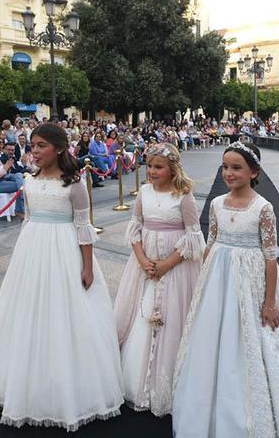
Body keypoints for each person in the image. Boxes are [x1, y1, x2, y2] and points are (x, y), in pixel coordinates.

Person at [172, 141, 279, 437]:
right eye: (225, 167)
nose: (228, 173)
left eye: (236, 167)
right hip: (219, 278)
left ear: (254, 172)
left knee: (255, 338)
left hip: (252, 280)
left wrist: (269, 302)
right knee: (216, 337)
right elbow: (213, 242)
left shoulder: (263, 208)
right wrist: (204, 281)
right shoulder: (217, 203)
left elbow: (271, 257)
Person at [0, 123, 123, 431]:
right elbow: (28, 219)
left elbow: (84, 228)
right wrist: (22, 254)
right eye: (32, 145)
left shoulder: (74, 183)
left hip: (64, 248)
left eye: (41, 145)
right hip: (33, 249)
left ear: (58, 148)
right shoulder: (29, 180)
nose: (35, 150)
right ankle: (28, 376)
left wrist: (87, 267)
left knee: (66, 311)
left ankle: (69, 380)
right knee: (29, 311)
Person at [113, 143, 204, 416]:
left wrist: (166, 265)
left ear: (172, 169)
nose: (152, 171)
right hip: (144, 266)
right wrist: (142, 261)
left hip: (175, 268)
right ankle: (136, 379)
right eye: (149, 166)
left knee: (171, 316)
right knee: (139, 314)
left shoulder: (184, 196)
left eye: (158, 167)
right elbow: (135, 227)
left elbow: (193, 238)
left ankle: (166, 381)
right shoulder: (144, 193)